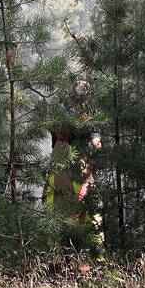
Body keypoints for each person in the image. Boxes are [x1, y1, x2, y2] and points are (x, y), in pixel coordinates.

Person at [45, 80, 102, 250]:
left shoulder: (58, 115)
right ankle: (90, 253)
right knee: (88, 204)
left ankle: (58, 252)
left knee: (57, 205)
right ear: (87, 98)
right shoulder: (87, 117)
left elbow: (53, 140)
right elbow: (96, 145)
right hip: (78, 163)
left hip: (57, 164)